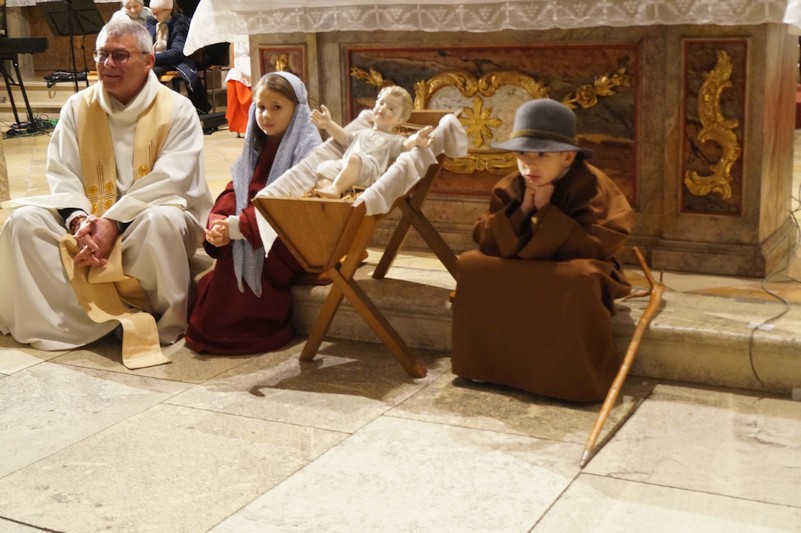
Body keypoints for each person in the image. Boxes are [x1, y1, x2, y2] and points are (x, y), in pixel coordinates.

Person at [0, 21, 212, 360]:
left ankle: (149, 318)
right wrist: (78, 220)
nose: (108, 64)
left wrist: (113, 222)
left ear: (148, 61)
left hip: (147, 221)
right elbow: (62, 171)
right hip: (89, 222)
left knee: (160, 222)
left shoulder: (177, 109)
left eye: (120, 56)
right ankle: (75, 320)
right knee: (22, 223)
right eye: (101, 55)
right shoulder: (78, 106)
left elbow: (171, 179)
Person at [450, 98, 635, 402]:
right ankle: (490, 367)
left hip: (578, 263)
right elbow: (484, 237)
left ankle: (571, 381)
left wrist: (548, 212)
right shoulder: (512, 184)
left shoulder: (593, 186)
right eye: (522, 153)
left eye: (541, 154)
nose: (529, 165)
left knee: (578, 278)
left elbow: (599, 243)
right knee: (471, 265)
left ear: (567, 157)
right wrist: (523, 209)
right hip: (527, 263)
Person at [184, 72, 322, 355]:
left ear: (297, 110)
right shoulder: (259, 144)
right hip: (254, 224)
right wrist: (220, 219)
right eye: (260, 107)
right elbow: (237, 187)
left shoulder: (309, 151)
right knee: (234, 247)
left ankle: (254, 328)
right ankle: (220, 325)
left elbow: (291, 206)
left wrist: (240, 228)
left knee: (245, 247)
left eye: (277, 107)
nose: (266, 115)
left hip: (292, 235)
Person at [310, 85, 432, 198]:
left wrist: (415, 139)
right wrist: (328, 124)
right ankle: (327, 194)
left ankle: (336, 188)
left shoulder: (393, 139)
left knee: (355, 159)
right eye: (381, 103)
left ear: (399, 120)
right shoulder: (363, 132)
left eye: (391, 108)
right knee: (325, 167)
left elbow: (405, 145)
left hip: (369, 173)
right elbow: (345, 138)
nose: (383, 108)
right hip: (346, 166)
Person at [146, 0, 211, 114]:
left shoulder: (180, 24)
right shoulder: (151, 22)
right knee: (140, 74)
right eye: (153, 13)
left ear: (168, 10)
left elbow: (177, 52)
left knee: (149, 76)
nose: (155, 16)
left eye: (158, 13)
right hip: (155, 58)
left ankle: (200, 112)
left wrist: (151, 58)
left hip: (174, 60)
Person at [224, 40, 252, 137]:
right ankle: (240, 126)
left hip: (251, 61)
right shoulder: (236, 39)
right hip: (242, 63)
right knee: (233, 74)